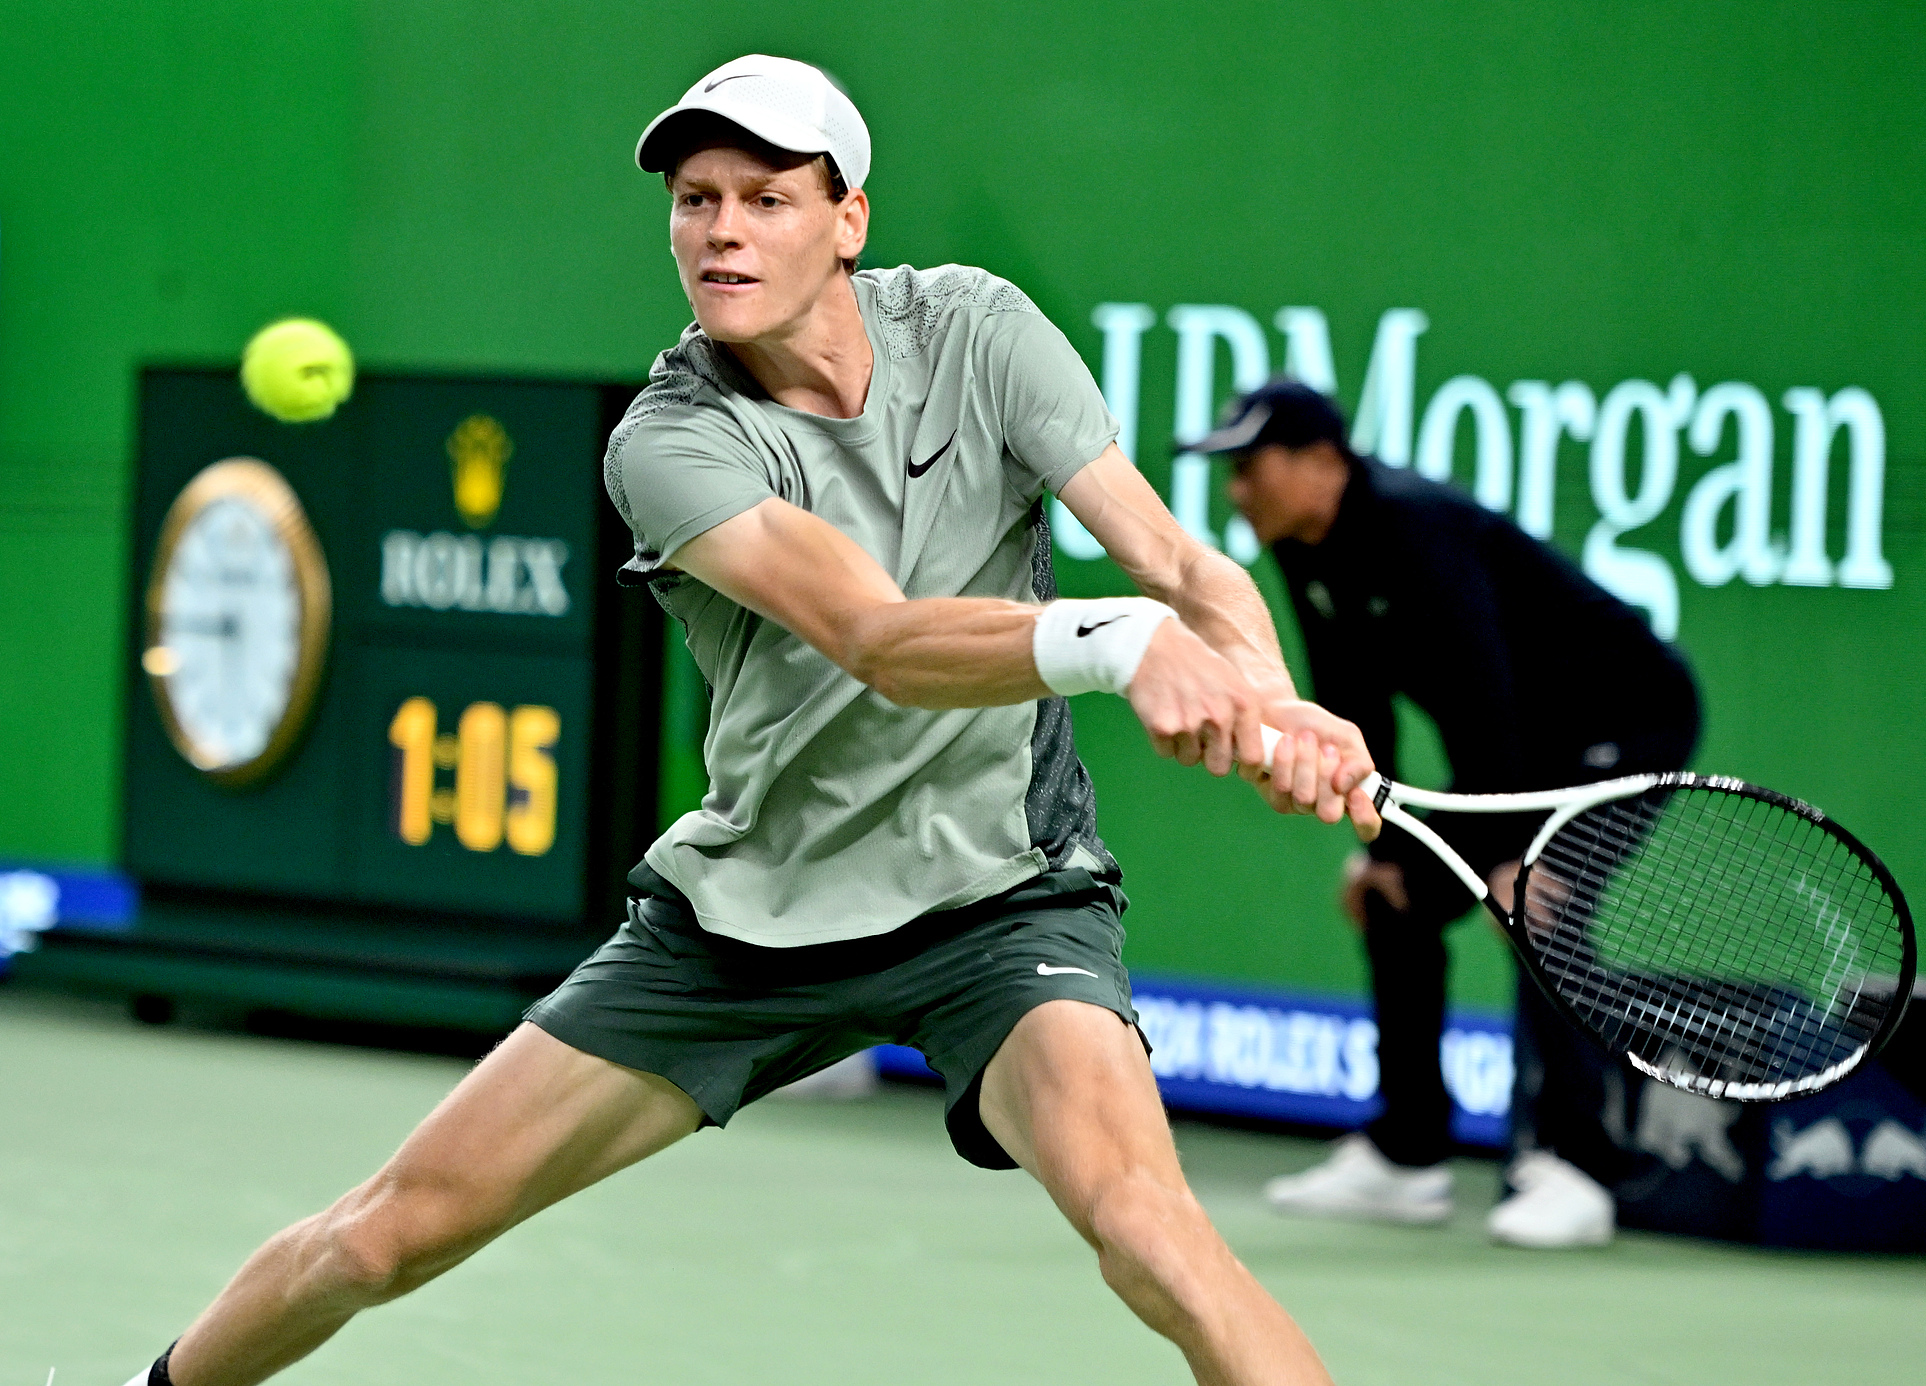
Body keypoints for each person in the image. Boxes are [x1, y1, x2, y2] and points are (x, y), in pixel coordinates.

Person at [119, 57, 1386, 1386]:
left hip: (1001, 903)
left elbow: (1181, 564)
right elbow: (879, 639)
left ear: (849, 218)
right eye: (695, 197)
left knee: (1152, 1233)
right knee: (384, 1241)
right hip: (745, 921)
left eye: (767, 197)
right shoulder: (671, 439)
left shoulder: (977, 330)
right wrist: (1121, 645)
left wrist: (1273, 695)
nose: (722, 228)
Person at [1197, 381, 1700, 1249]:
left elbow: (1482, 699)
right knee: (1388, 896)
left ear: (1323, 463)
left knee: (1540, 905)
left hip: (1623, 716)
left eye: (1251, 467)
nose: (1237, 490)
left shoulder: (1414, 527)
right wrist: (1384, 843)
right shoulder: (1300, 541)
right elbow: (1354, 711)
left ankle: (1579, 1168)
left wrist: (1511, 859)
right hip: (1522, 750)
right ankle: (1408, 1154)